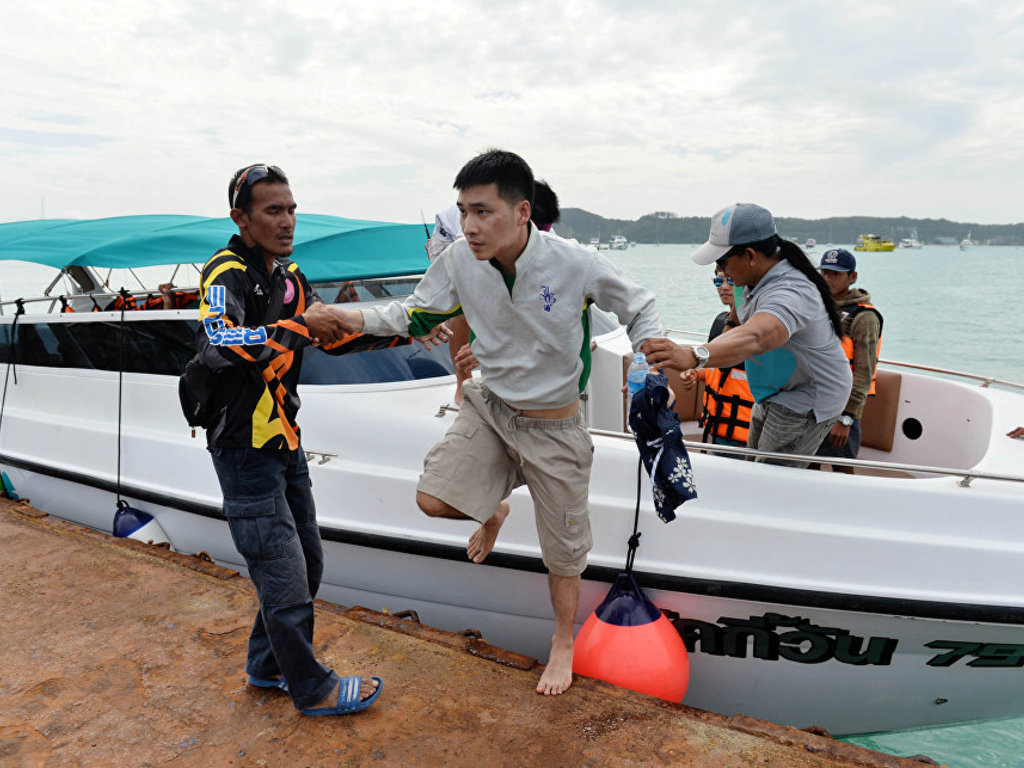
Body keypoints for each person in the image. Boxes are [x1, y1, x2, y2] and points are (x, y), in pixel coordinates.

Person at [328, 150, 663, 696]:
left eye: (483, 211)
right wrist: (349, 316)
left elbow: (642, 305)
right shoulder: (460, 259)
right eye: (463, 211)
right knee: (432, 501)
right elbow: (416, 312)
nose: (470, 226)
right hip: (492, 405)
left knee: (563, 553)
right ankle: (496, 505)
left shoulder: (575, 262)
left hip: (555, 426)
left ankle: (562, 640)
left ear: (522, 211)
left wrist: (649, 353)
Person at [196, 163, 393, 717]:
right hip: (242, 446)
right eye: (273, 211)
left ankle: (266, 665)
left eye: (291, 209)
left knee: (305, 561)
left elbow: (327, 338)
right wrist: (303, 325)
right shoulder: (223, 272)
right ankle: (311, 687)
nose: (287, 221)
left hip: (284, 438)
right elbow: (222, 343)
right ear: (241, 217)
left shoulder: (291, 274)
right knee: (281, 572)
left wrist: (409, 330)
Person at [642, 203, 851, 468]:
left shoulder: (791, 291)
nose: (722, 272)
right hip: (774, 392)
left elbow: (758, 336)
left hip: (806, 398)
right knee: (752, 466)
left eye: (722, 261)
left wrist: (694, 355)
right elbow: (741, 322)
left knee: (769, 482)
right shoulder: (753, 278)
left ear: (750, 255)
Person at [815, 249, 882, 472]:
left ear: (852, 277)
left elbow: (864, 372)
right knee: (803, 467)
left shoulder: (864, 317)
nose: (828, 278)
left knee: (842, 470)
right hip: (811, 405)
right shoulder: (816, 306)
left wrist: (847, 418)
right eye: (824, 272)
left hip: (842, 409)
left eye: (835, 273)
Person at [688, 265, 754, 449]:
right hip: (715, 424)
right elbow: (718, 370)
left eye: (730, 281)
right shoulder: (719, 323)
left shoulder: (758, 332)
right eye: (718, 281)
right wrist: (696, 374)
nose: (724, 287)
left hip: (745, 432)